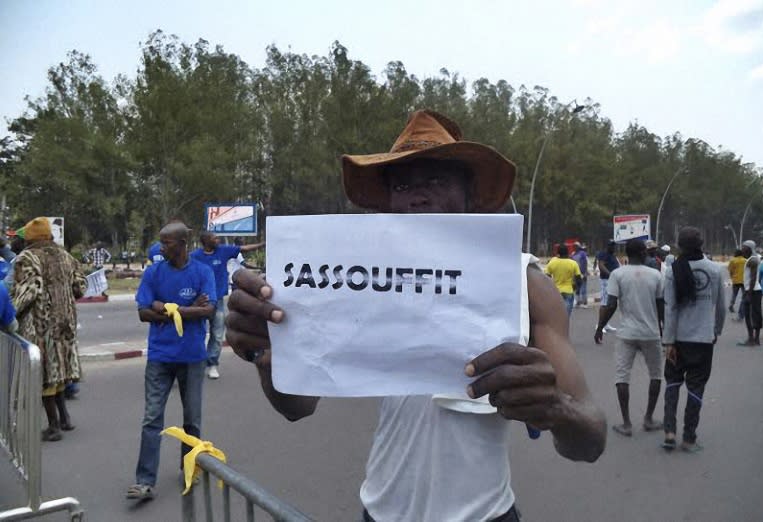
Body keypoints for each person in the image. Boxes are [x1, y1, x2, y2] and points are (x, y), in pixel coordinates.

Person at [225, 109, 606, 521]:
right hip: (380, 512)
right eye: (402, 184)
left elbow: (590, 439)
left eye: (436, 179)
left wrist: (556, 408)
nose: (417, 195)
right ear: (389, 202)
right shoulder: (359, 280)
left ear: (469, 195)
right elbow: (297, 406)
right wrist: (266, 355)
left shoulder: (523, 282)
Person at [126, 221, 216, 501]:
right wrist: (184, 310)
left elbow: (209, 310)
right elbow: (143, 312)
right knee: (152, 418)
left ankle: (189, 468)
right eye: (161, 242)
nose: (161, 247)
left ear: (182, 243)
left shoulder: (202, 272)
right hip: (160, 357)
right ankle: (144, 481)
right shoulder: (154, 272)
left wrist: (163, 306)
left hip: (192, 357)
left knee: (193, 420)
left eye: (167, 243)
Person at [11, 217, 86, 441]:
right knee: (59, 373)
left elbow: (28, 292)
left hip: (40, 326)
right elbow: (80, 286)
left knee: (45, 376)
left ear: (30, 238)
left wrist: (10, 312)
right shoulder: (65, 256)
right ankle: (65, 419)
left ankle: (53, 427)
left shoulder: (27, 258)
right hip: (65, 324)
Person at [661, 227, 724, 452]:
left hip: (677, 339)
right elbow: (720, 307)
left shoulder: (672, 270)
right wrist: (715, 330)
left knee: (673, 383)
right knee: (696, 388)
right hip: (703, 339)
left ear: (679, 245)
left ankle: (669, 431)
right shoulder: (714, 270)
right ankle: (689, 438)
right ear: (702, 243)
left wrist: (668, 341)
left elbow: (670, 308)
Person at [594, 239, 664, 436]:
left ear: (626, 253)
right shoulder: (656, 275)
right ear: (643, 253)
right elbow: (661, 307)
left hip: (626, 334)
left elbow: (611, 304)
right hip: (651, 334)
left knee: (622, 377)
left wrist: (600, 327)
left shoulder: (617, 274)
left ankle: (626, 423)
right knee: (656, 375)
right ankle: (649, 418)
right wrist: (665, 331)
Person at [190, 232, 264, 380]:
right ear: (205, 241)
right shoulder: (194, 256)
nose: (218, 240)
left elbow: (244, 248)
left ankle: (212, 365)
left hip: (217, 300)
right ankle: (194, 364)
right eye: (214, 238)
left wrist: (263, 244)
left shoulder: (223, 250)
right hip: (199, 301)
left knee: (217, 334)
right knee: (197, 333)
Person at [545, 244, 582, 317]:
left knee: (556, 316)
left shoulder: (552, 263)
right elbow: (579, 279)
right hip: (569, 291)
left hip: (556, 292)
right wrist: (575, 288)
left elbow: (546, 278)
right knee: (566, 317)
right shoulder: (573, 263)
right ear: (568, 252)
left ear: (558, 253)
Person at [739, 240, 762, 346]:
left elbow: (753, 278)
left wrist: (748, 294)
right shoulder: (752, 259)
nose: (742, 249)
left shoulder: (752, 260)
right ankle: (754, 338)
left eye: (744, 247)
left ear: (749, 248)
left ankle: (753, 339)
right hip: (752, 290)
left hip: (753, 291)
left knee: (752, 315)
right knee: (752, 314)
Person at [596, 240, 620, 332]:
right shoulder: (603, 254)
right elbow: (601, 265)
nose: (613, 247)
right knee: (604, 303)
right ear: (607, 246)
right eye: (611, 246)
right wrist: (610, 274)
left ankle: (605, 324)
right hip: (606, 280)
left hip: (612, 281)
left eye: (614, 246)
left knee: (610, 304)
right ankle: (599, 325)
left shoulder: (612, 255)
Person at [727, 248, 746, 316]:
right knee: (744, 295)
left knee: (734, 294)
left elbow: (730, 270)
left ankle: (731, 305)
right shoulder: (745, 260)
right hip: (744, 280)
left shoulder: (733, 260)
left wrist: (732, 277)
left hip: (735, 280)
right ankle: (742, 307)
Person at [571, 242, 589, 308]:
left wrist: (584, 273)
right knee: (577, 289)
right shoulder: (573, 254)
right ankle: (578, 302)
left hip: (582, 273)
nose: (575, 247)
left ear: (579, 247)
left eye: (576, 246)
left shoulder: (583, 254)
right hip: (575, 274)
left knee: (583, 288)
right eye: (574, 246)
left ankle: (585, 303)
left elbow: (585, 263)